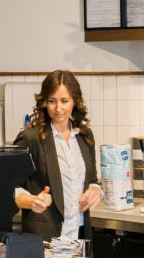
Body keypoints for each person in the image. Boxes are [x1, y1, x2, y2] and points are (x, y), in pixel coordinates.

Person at [13, 70, 102, 241]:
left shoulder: (85, 136)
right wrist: (31, 201)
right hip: (45, 238)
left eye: (64, 101)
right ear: (44, 102)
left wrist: (95, 191)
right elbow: (8, 188)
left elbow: (92, 181)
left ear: (75, 102)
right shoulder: (30, 138)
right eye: (52, 101)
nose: (58, 108)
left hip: (80, 236)